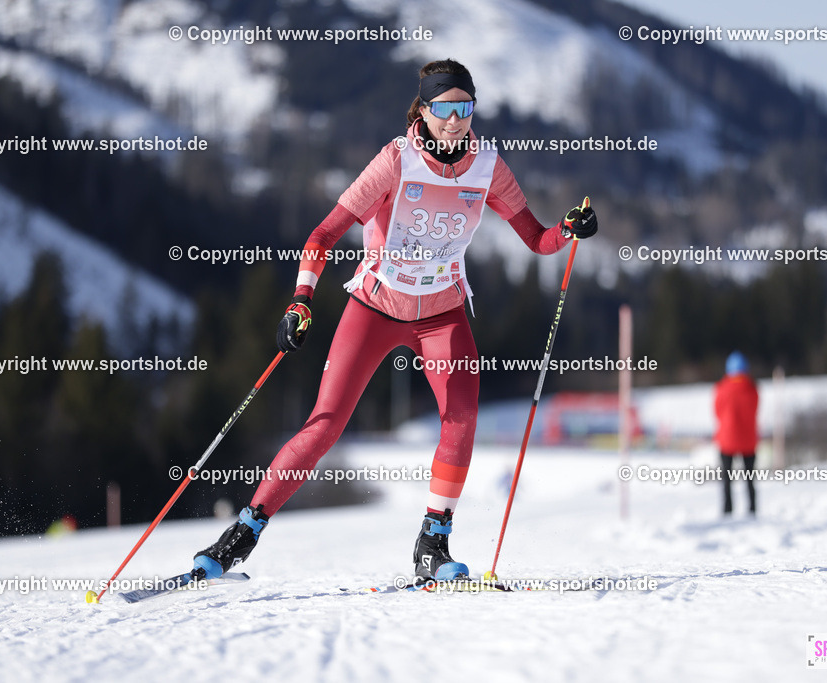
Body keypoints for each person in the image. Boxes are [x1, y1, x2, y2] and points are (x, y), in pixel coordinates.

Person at [189, 59, 598, 583]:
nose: (456, 120)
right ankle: (240, 535)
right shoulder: (394, 161)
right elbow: (323, 233)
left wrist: (569, 229)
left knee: (462, 417)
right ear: (423, 111)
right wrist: (301, 300)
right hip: (376, 307)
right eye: (445, 108)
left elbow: (538, 239)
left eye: (465, 108)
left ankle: (434, 541)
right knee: (325, 424)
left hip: (443, 314)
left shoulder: (489, 166)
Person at [714, 352, 759, 516]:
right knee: (749, 478)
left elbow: (717, 411)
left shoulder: (722, 388)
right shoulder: (752, 388)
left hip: (727, 439)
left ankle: (727, 510)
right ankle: (752, 508)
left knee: (727, 479)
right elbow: (755, 410)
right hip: (748, 440)